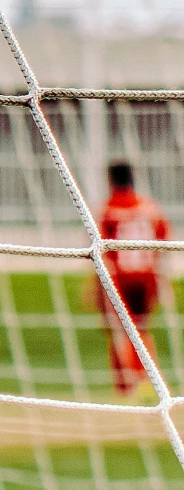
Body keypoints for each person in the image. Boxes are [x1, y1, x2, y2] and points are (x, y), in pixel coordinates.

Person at [95, 160, 168, 401]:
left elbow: (99, 250)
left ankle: (127, 384)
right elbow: (163, 240)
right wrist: (161, 278)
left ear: (111, 180)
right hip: (147, 276)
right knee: (142, 329)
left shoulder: (108, 209)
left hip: (119, 279)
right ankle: (147, 379)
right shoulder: (150, 207)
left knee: (119, 330)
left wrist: (95, 287)